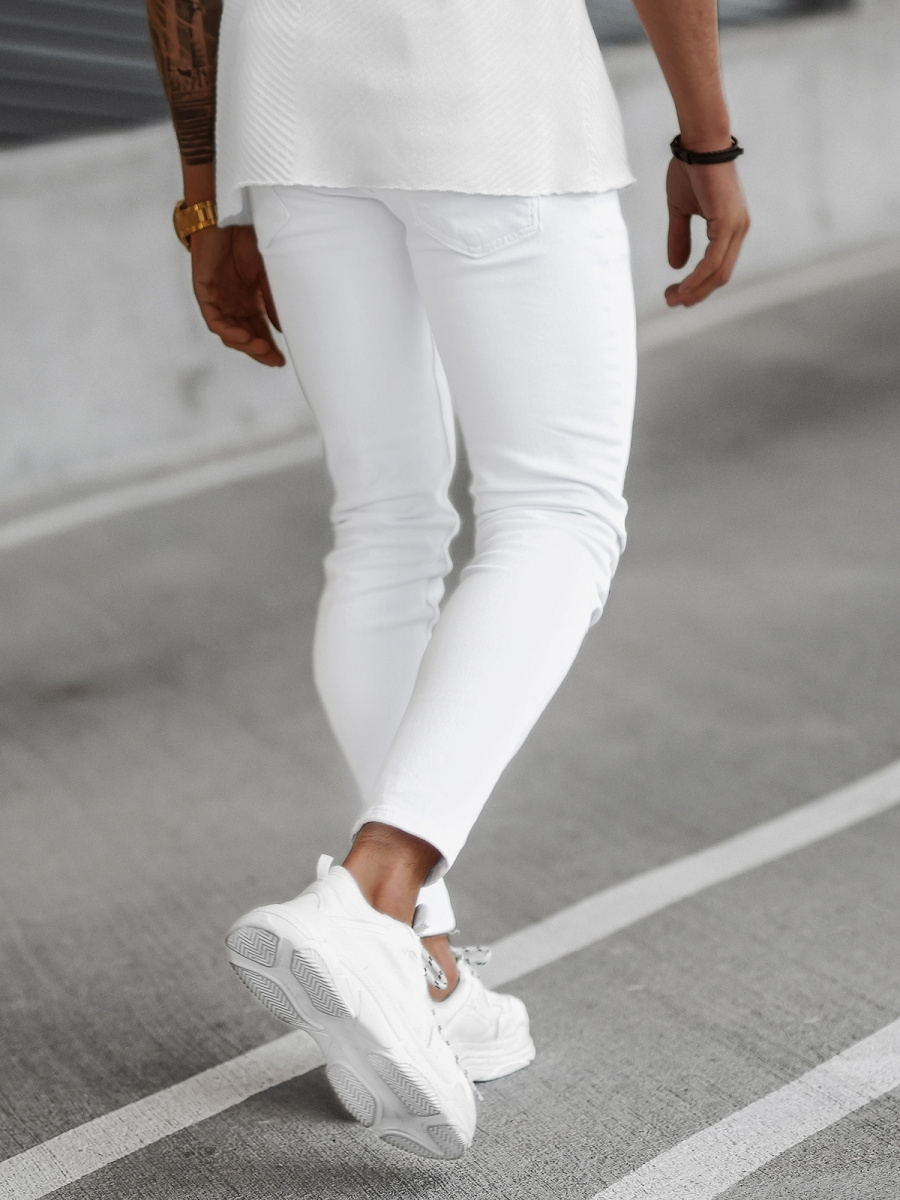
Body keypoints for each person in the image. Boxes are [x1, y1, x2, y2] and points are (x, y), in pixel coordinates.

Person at [147, 0, 749, 1161]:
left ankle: (424, 970)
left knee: (384, 525)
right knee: (558, 516)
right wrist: (708, 142)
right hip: (492, 85)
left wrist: (207, 201)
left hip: (292, 105)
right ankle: (375, 892)